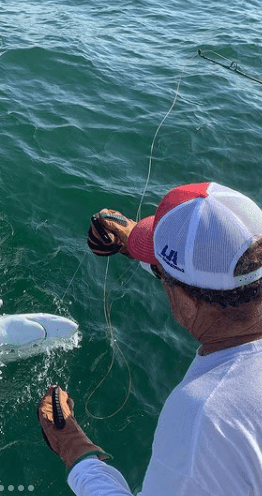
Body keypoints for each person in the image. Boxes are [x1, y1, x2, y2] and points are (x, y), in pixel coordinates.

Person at [38, 182, 262, 495]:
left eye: (161, 276)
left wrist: (74, 449)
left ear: (186, 300)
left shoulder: (208, 422)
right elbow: (217, 274)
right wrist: (135, 243)